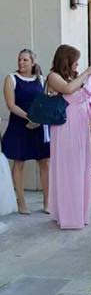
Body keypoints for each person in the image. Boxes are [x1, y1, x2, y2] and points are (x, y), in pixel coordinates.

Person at [47, 45, 91, 230]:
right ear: (66, 60)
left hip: (81, 128)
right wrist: (87, 72)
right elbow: (67, 90)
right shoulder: (54, 76)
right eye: (75, 59)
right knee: (70, 168)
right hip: (66, 129)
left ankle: (79, 211)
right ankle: (69, 214)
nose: (77, 63)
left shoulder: (73, 77)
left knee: (81, 168)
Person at [2, 48, 50, 214]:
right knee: (19, 162)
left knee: (44, 162)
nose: (21, 63)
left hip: (38, 127)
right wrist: (29, 117)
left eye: (25, 60)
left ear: (33, 62)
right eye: (19, 59)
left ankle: (47, 202)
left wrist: (39, 118)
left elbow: (45, 102)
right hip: (19, 126)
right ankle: (21, 201)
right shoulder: (11, 79)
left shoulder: (41, 80)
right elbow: (11, 104)